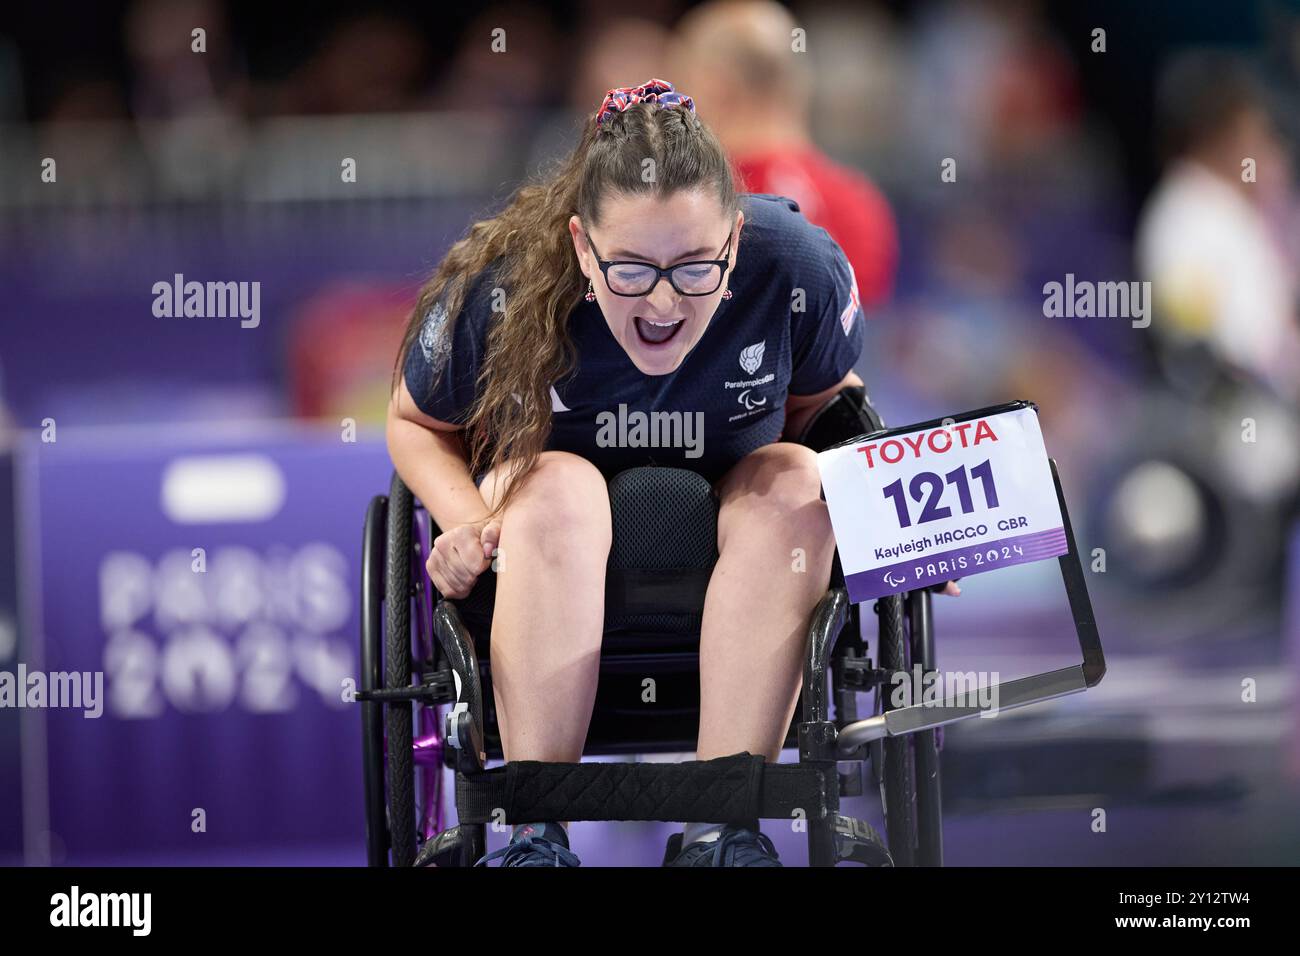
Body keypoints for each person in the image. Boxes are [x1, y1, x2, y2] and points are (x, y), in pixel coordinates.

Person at [388, 79, 865, 867]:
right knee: (563, 486)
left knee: (795, 475)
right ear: (581, 246)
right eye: (633, 270)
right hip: (548, 512)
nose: (665, 304)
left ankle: (722, 828)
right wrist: (467, 520)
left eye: (694, 268)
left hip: (727, 514)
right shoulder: (504, 287)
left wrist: (899, 529)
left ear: (736, 243)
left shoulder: (798, 269)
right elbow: (414, 421)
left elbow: (831, 406)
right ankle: (536, 832)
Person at [673, 0, 898, 308]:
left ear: (717, 86)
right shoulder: (861, 203)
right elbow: (860, 344)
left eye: (681, 83)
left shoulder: (692, 202)